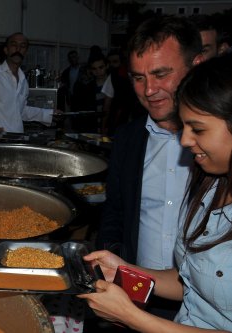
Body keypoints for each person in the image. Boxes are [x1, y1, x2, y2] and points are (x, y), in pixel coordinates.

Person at [79, 54, 232, 332]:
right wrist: (127, 270)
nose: (185, 140)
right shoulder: (212, 186)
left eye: (197, 129)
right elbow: (190, 282)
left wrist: (133, 317)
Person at [95, 15, 204, 319]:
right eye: (138, 78)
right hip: (137, 299)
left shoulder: (220, 145)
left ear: (196, 66)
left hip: (207, 307)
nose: (149, 89)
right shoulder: (128, 139)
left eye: (161, 74)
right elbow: (115, 212)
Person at [0, 32, 56, 134]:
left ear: (26, 52)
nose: (18, 49)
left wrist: (49, 114)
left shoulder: (23, 81)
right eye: (14, 45)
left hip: (16, 139)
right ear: (6, 50)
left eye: (22, 46)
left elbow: (20, 111)